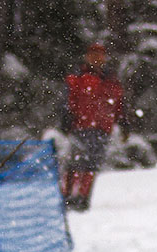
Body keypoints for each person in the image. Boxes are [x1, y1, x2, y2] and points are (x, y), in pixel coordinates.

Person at [60, 43, 128, 212]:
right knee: (75, 163)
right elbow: (67, 99)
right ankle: (68, 197)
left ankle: (83, 198)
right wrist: (66, 117)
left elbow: (119, 105)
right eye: (93, 54)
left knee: (92, 164)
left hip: (102, 128)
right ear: (86, 56)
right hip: (80, 126)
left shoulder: (111, 81)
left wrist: (124, 122)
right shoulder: (77, 78)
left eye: (99, 55)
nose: (96, 58)